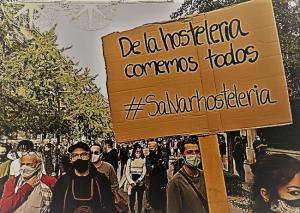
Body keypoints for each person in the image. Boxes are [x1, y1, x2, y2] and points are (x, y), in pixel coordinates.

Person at [50, 142, 115, 213]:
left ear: (89, 157)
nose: (79, 158)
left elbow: (110, 207)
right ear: (71, 159)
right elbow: (55, 208)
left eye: (83, 154)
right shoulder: (62, 182)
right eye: (75, 155)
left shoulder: (101, 180)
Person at [167, 138, 208, 213]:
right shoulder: (175, 183)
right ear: (182, 155)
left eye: (197, 152)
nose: (194, 155)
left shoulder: (205, 176)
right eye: (190, 152)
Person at [146, 141, 169, 213]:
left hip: (162, 183)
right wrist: (159, 163)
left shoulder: (164, 154)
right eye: (149, 148)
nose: (150, 149)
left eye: (152, 148)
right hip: (153, 184)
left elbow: (165, 166)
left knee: (163, 204)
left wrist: (154, 165)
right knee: (154, 204)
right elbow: (149, 169)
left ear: (156, 148)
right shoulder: (148, 157)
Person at [125, 143, 146, 213]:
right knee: (132, 199)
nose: (138, 153)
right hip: (132, 180)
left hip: (140, 181)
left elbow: (144, 171)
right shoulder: (130, 160)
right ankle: (132, 211)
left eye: (140, 151)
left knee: (140, 199)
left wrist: (140, 179)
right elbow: (127, 172)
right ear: (134, 151)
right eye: (137, 151)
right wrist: (131, 181)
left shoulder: (143, 159)